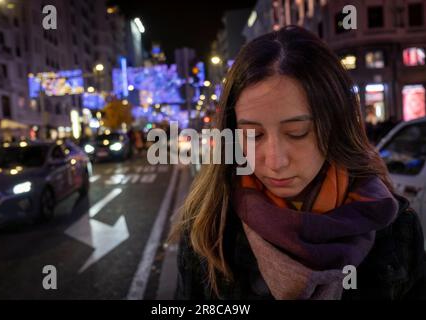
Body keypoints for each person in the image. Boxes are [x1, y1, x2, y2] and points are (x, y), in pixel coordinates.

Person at [171, 26, 426, 300]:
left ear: (336, 127)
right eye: (253, 135)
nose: (275, 161)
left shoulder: (397, 228)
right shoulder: (208, 231)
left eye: (297, 133)